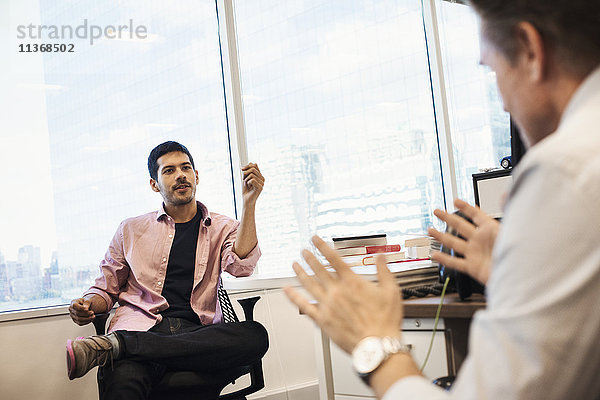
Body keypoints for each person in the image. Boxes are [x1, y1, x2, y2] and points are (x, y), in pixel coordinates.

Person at [284, 0, 600, 398]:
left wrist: (375, 346)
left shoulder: (564, 169)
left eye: (493, 70)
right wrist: (517, 270)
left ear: (531, 50)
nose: (502, 101)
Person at [66, 141, 269, 400]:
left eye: (186, 168)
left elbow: (242, 266)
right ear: (154, 184)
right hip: (142, 327)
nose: (181, 174)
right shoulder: (130, 230)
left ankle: (120, 346)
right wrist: (87, 305)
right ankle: (130, 346)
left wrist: (249, 203)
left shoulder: (223, 227)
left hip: (198, 333)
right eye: (169, 170)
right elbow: (105, 289)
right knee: (122, 385)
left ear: (196, 176)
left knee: (255, 335)